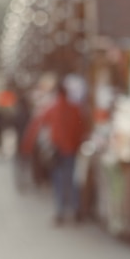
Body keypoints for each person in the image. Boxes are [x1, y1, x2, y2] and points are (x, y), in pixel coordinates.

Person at [39, 83, 85, 225]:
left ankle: (60, 211)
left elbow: (43, 124)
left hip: (57, 151)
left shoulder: (51, 108)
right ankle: (75, 209)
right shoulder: (74, 108)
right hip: (71, 149)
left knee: (59, 182)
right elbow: (81, 128)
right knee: (72, 180)